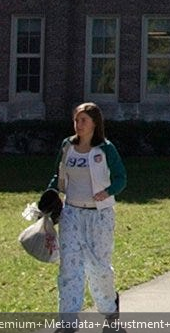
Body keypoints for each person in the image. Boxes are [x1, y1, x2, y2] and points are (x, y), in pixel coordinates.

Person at [46, 102, 127, 324]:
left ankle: (110, 307)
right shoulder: (67, 146)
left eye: (83, 120)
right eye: (76, 120)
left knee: (98, 266)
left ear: (94, 123)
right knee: (69, 267)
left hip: (99, 215)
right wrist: (51, 192)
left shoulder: (105, 149)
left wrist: (108, 191)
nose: (78, 124)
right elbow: (58, 175)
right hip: (72, 213)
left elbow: (121, 178)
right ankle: (68, 319)